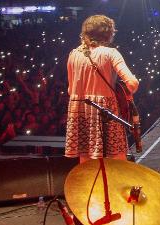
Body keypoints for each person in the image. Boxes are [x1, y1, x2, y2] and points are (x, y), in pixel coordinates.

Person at [65, 15, 139, 162]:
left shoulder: (74, 54)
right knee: (117, 161)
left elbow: (70, 90)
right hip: (106, 110)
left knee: (86, 163)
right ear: (109, 33)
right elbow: (132, 83)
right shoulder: (110, 53)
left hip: (78, 111)